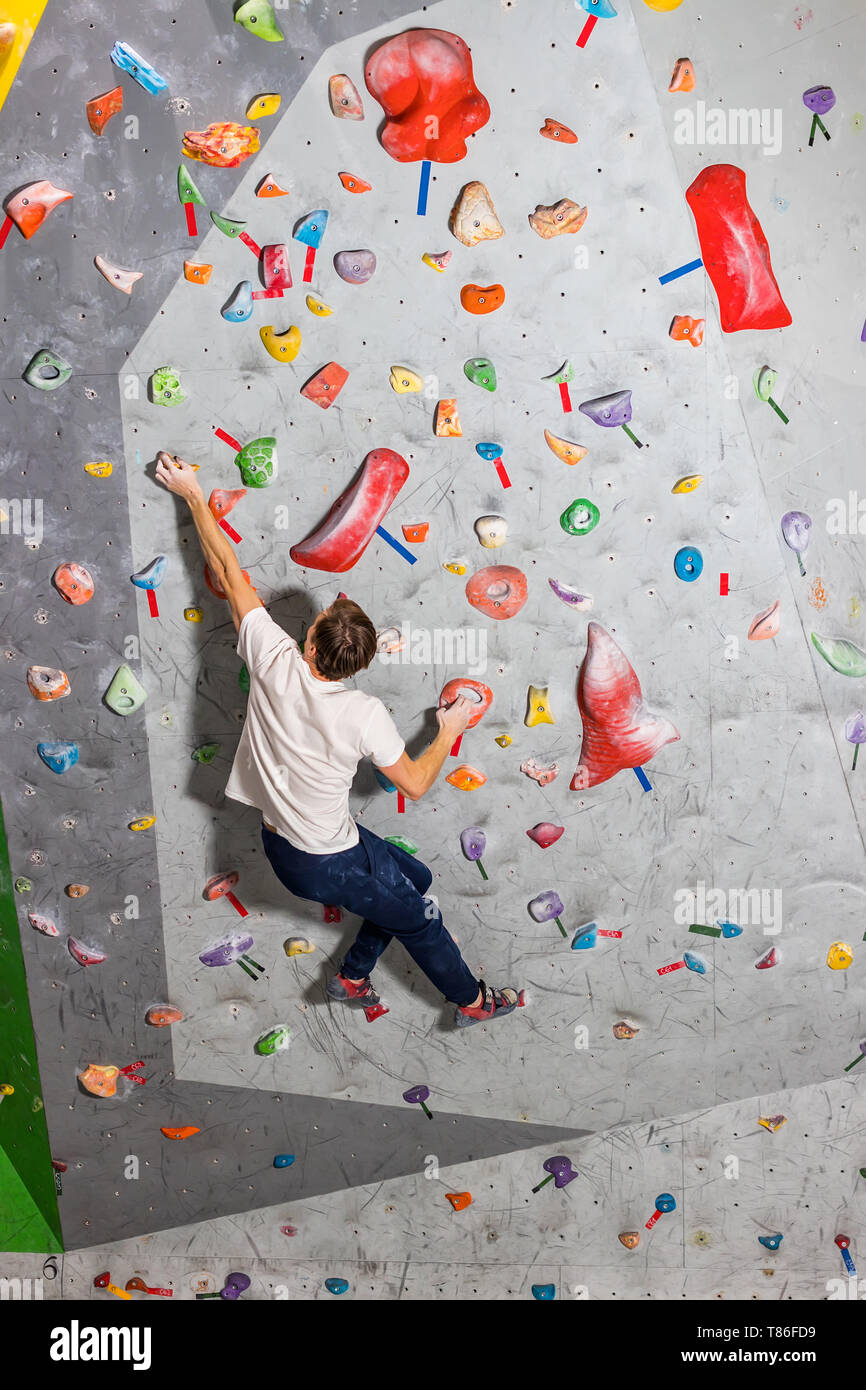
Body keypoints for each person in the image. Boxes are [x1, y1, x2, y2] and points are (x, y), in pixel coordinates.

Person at [155, 452, 525, 1027]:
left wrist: (193, 494)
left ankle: (351, 978)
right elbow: (417, 783)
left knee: (416, 880)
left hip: (289, 842)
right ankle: (473, 1003)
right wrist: (448, 729)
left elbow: (227, 571)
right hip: (326, 862)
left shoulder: (273, 658)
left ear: (307, 645)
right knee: (421, 916)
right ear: (357, 664)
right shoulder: (362, 711)